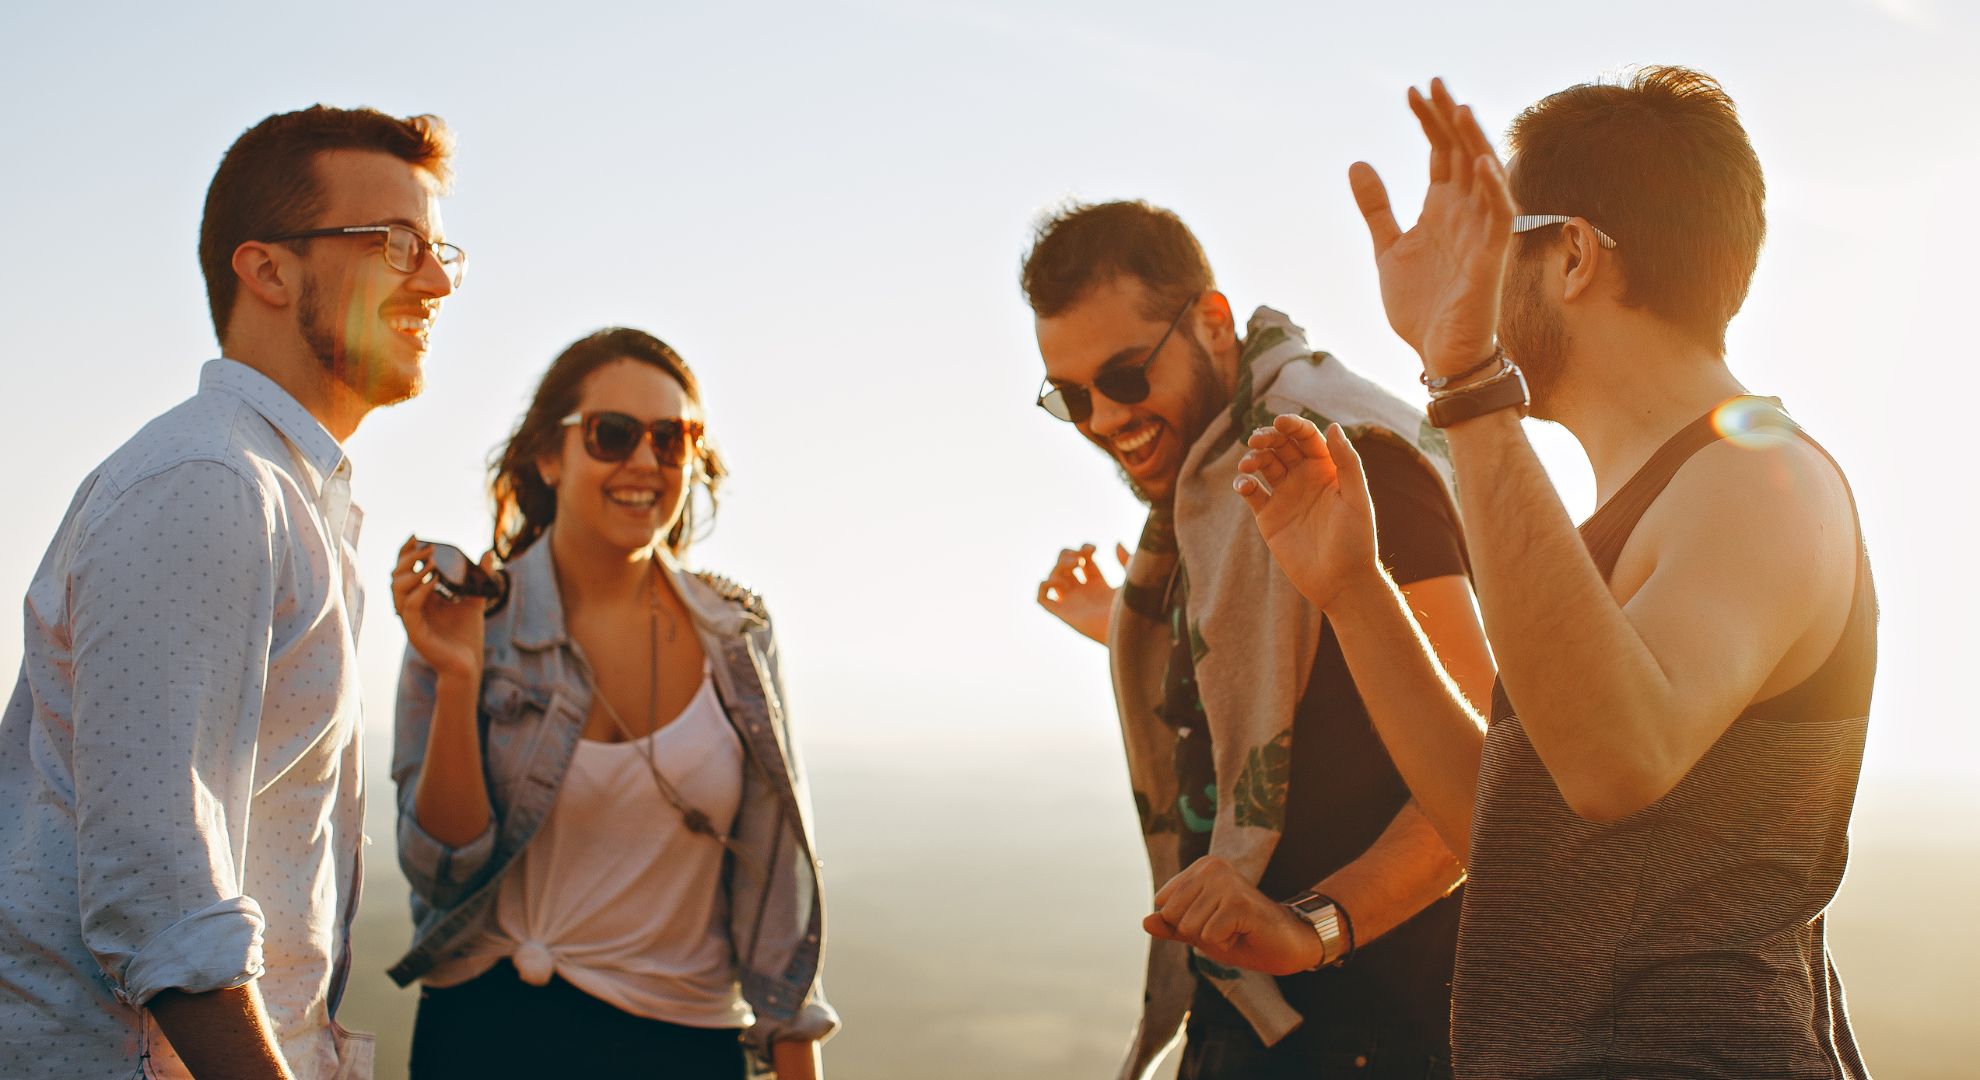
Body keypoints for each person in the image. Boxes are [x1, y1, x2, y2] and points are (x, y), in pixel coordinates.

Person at [1222, 70, 1875, 1077]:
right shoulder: (1646, 507)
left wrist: (1463, 377)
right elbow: (1512, 831)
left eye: (1496, 244)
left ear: (1572, 255)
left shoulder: (1760, 478)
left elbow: (1615, 764)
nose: (1471, 281)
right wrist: (1353, 590)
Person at [0, 106, 461, 1079]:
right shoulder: (210, 482)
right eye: (396, 243)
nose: (436, 280)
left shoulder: (289, 496)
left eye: (437, 248)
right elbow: (164, 902)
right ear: (268, 270)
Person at [1024, 201, 1495, 1079]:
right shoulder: (1212, 488)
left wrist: (1314, 927)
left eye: (1124, 376)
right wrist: (1127, 629)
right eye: (1072, 397)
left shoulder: (1346, 462)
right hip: (1248, 1019)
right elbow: (1284, 679)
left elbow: (1485, 769)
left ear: (1211, 323)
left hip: (1373, 1034)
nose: (1103, 419)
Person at [386, 327, 835, 1079]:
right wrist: (459, 677)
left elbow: (776, 898)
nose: (646, 462)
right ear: (548, 455)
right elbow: (440, 873)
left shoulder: (738, 638)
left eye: (673, 439)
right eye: (613, 434)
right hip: (486, 1038)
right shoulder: (469, 619)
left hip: (683, 1050)